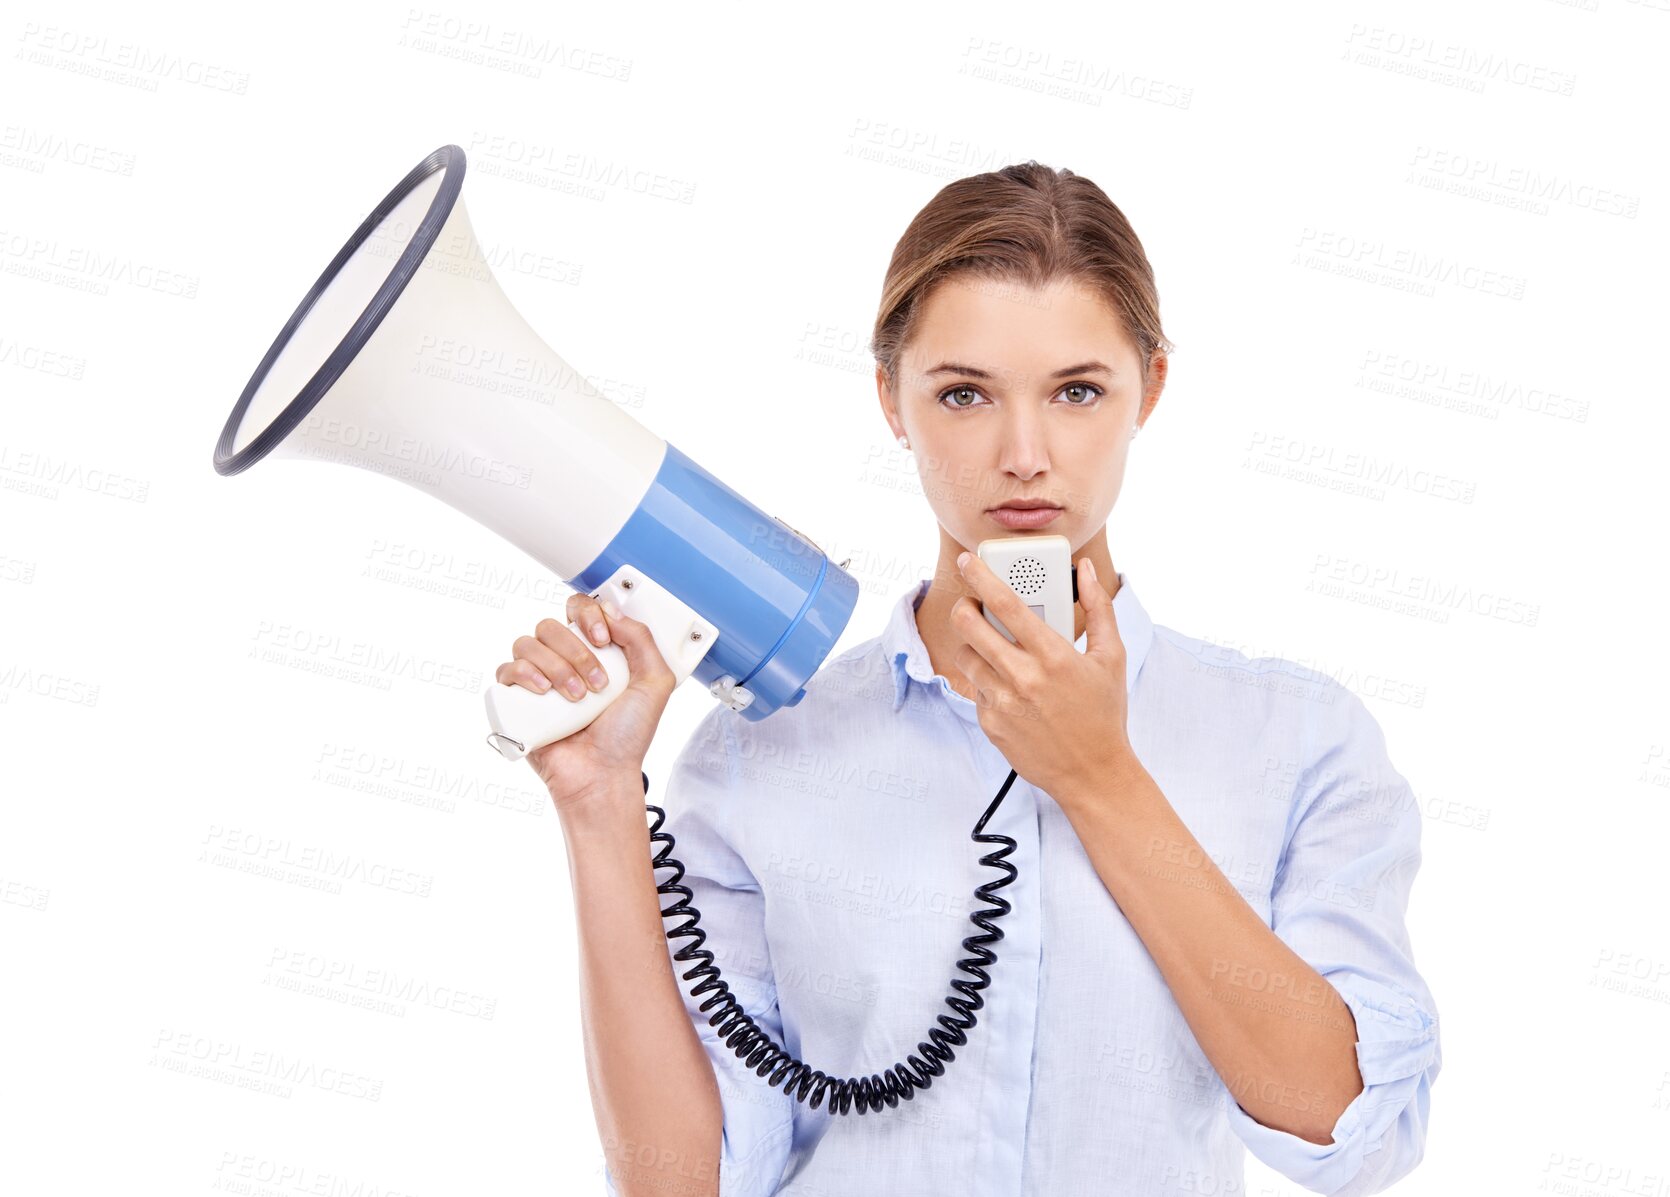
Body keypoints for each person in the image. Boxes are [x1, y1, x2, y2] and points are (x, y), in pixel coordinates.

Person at [494, 162, 1441, 1197]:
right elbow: (680, 1184)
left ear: (1149, 391)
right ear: (891, 403)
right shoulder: (761, 748)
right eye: (962, 395)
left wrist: (1097, 778)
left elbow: (1351, 1133)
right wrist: (598, 810)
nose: (1023, 455)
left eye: (1077, 391)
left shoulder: (1294, 739)